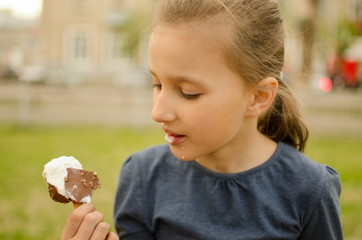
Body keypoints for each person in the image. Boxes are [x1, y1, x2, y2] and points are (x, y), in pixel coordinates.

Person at [62, 0, 343, 239]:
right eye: (157, 84)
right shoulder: (142, 179)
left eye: (189, 93)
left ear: (258, 97)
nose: (158, 112)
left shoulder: (310, 190)